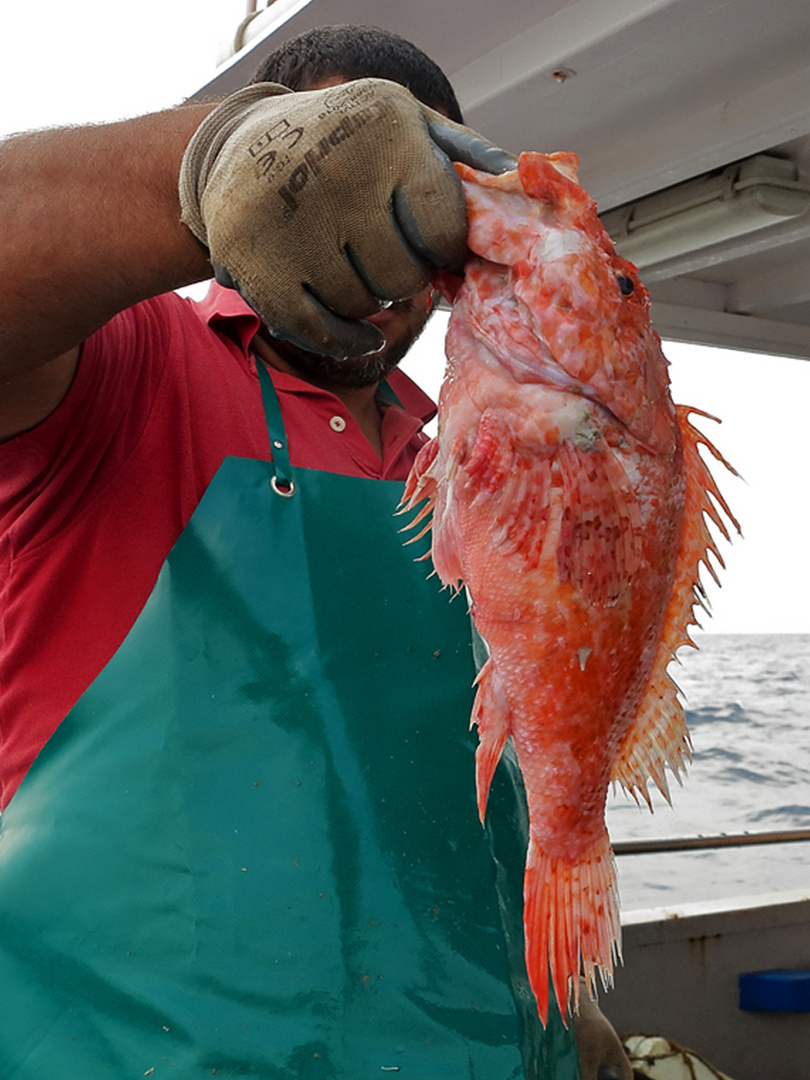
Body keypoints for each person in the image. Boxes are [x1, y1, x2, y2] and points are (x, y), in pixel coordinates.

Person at [0, 24, 631, 1080]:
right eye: (336, 193)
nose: (377, 255)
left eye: (413, 223)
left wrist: (558, 1013)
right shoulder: (123, 369)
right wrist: (205, 161)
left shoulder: (475, 471)